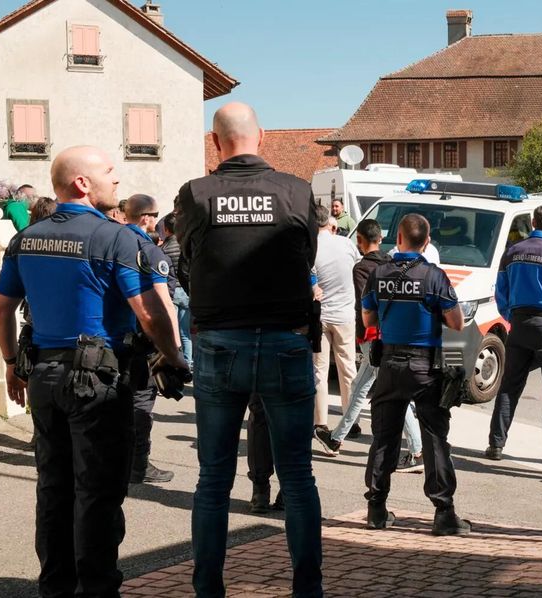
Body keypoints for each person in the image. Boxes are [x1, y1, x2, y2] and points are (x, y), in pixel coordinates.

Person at [0, 145, 185, 597]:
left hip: (43, 377)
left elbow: (0, 308)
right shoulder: (116, 238)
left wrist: (11, 364)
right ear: (82, 183)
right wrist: (173, 358)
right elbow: (149, 313)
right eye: (108, 172)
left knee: (53, 488)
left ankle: (55, 587)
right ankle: (96, 588)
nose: (116, 179)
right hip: (98, 382)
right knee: (98, 493)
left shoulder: (26, 239)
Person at [176, 102, 322, 598]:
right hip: (285, 339)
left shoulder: (195, 193)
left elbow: (187, 262)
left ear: (215, 142)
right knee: (298, 477)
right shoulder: (297, 190)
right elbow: (307, 257)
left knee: (213, 479)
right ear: (261, 137)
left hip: (220, 341)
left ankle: (208, 589)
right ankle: (308, 589)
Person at [360, 213, 470, 535]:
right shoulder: (434, 276)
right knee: (434, 439)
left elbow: (368, 320)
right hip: (425, 368)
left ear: (398, 239)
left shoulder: (378, 274)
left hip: (389, 365)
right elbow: (457, 324)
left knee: (384, 437)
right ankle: (443, 513)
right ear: (427, 242)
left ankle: (376, 509)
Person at [315, 219, 424, 472]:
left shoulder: (361, 269)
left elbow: (366, 303)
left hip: (373, 337)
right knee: (361, 386)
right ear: (381, 238)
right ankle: (336, 438)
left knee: (392, 393)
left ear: (360, 241)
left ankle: (417, 451)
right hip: (391, 334)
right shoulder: (392, 263)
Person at [486, 205, 542, 465]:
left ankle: (496, 444)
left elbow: (500, 291)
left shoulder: (513, 251)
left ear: (533, 222)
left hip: (519, 324)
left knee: (509, 386)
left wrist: (511, 316)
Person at [122, 193, 177, 485]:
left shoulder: (112, 243)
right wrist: (174, 349)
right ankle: (138, 465)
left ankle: (121, 460)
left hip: (113, 338)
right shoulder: (149, 251)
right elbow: (163, 304)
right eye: (155, 215)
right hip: (141, 339)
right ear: (147, 218)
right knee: (142, 402)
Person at [310, 205, 360, 434]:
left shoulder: (311, 247)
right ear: (330, 223)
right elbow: (357, 268)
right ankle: (351, 420)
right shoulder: (346, 244)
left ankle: (320, 422)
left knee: (319, 370)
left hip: (320, 316)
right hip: (345, 315)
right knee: (348, 368)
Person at [159, 213, 191, 367]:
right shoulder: (185, 245)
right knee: (185, 333)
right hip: (186, 291)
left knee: (173, 332)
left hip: (171, 292)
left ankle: (176, 363)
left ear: (166, 229)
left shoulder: (163, 249)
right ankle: (189, 362)